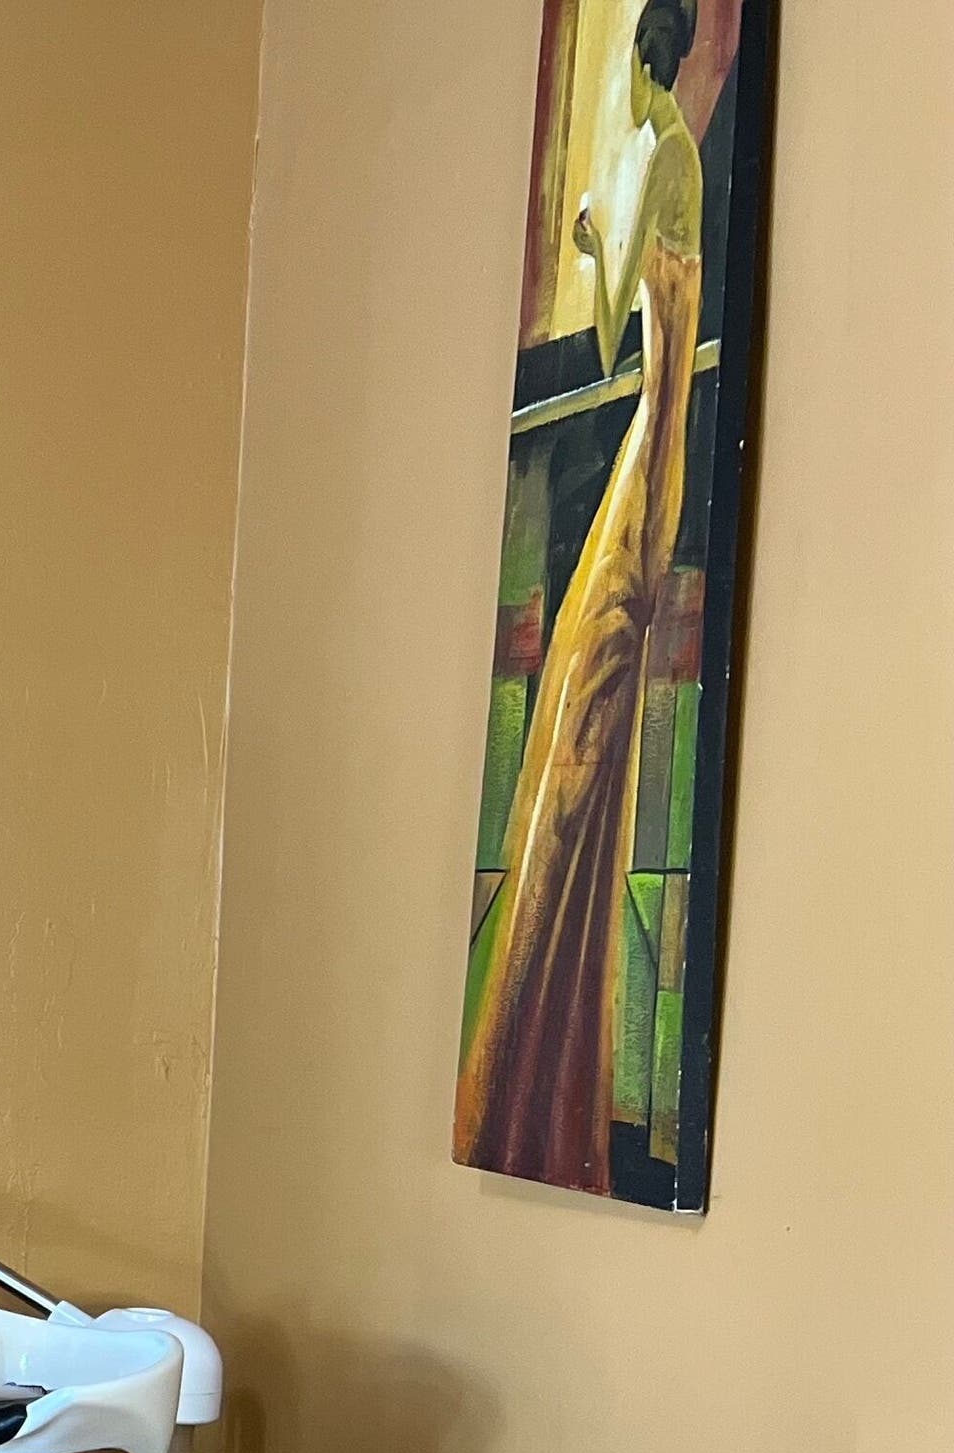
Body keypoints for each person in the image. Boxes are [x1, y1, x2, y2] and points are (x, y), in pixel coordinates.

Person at [456, 0, 704, 1190]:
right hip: (645, 443)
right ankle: (535, 1083)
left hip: (645, 444)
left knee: (576, 735)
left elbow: (614, 340)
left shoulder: (659, 152)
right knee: (569, 741)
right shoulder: (669, 154)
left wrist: (601, 238)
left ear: (642, 56)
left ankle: (533, 1090)